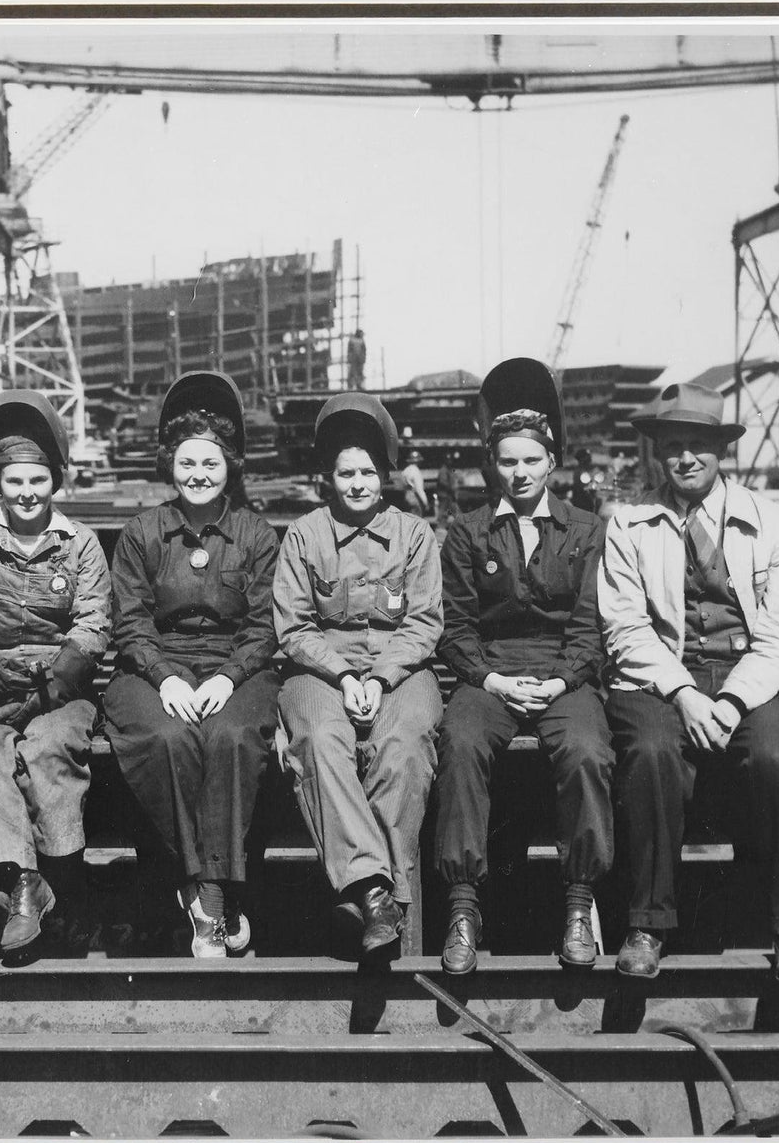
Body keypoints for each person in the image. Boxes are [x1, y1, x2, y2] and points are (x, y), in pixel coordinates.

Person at [598, 382, 779, 983]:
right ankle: (648, 925)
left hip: (757, 674)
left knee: (774, 755)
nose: (686, 458)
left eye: (699, 444)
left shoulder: (776, 525)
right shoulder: (628, 525)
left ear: (722, 451)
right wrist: (684, 694)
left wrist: (728, 700)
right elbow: (625, 628)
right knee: (648, 752)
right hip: (662, 675)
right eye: (673, 446)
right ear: (657, 454)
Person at [434, 358, 615, 973]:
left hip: (566, 673)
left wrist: (563, 681)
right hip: (490, 671)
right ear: (494, 464)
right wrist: (490, 679)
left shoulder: (587, 531)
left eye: (531, 461)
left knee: (587, 749)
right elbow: (455, 628)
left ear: (552, 462)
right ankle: (463, 906)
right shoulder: (467, 533)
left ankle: (579, 901)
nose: (520, 473)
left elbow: (591, 626)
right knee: (459, 741)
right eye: (508, 462)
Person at [104, 372, 280, 958]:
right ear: (169, 466)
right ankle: (210, 896)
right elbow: (129, 620)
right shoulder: (142, 532)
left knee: (232, 737)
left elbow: (262, 626)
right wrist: (165, 676)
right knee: (164, 737)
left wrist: (230, 676)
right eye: (186, 464)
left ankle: (208, 894)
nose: (198, 475)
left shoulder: (255, 534)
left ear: (229, 465)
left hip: (237, 667)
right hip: (156, 666)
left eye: (210, 463)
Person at [0, 391, 112, 956]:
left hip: (61, 688)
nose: (27, 493)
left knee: (49, 748)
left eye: (37, 480)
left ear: (54, 482)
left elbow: (92, 626)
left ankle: (64, 887)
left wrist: (47, 690)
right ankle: (22, 884)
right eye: (14, 482)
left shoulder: (80, 544)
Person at [272, 392, 444, 960]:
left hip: (403, 666)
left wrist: (385, 676)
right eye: (346, 473)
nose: (357, 484)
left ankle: (385, 903)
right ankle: (375, 891)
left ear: (384, 475)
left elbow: (423, 623)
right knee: (319, 739)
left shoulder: (414, 535)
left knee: (406, 744)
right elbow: (294, 627)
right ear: (329, 477)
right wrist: (346, 676)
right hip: (320, 669)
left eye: (368, 472)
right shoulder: (305, 535)